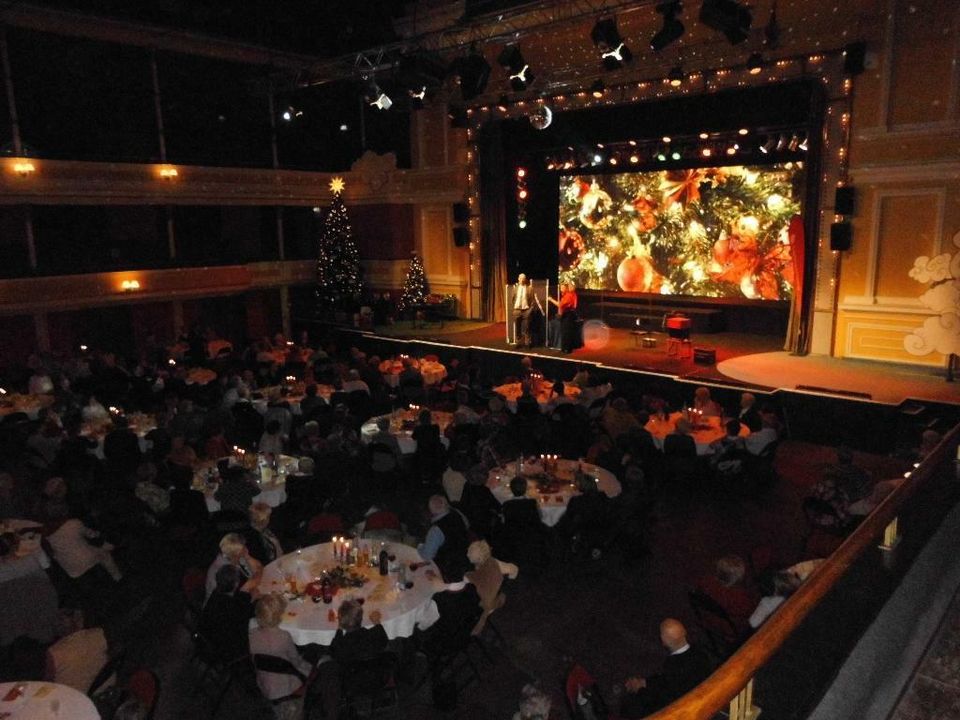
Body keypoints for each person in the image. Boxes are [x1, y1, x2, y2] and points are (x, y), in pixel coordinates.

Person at [620, 619, 713, 718]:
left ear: (664, 641)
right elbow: (666, 682)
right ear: (684, 631)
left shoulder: (672, 667)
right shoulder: (701, 653)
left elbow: (663, 697)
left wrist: (640, 689)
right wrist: (646, 682)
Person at [249, 594, 313, 720]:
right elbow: (296, 661)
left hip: (265, 682)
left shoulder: (251, 634)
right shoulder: (283, 636)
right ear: (279, 615)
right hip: (287, 685)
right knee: (313, 660)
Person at [198, 564, 255, 662]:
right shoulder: (233, 608)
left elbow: (238, 599)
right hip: (228, 651)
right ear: (236, 584)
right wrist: (252, 599)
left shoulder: (216, 594)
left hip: (210, 639)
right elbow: (245, 620)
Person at [417, 495, 471, 583]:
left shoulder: (435, 530)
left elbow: (427, 556)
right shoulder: (457, 513)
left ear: (430, 512)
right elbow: (467, 526)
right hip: (466, 558)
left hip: (448, 570)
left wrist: (420, 546)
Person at [205, 532, 262, 600]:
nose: (246, 550)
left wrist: (247, 557)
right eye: (243, 550)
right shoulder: (222, 572)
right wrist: (254, 580)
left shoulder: (234, 556)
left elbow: (259, 567)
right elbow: (233, 597)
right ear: (235, 555)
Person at [330, 599, 389, 665]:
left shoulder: (340, 645)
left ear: (341, 621)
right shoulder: (373, 635)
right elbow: (385, 640)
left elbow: (333, 653)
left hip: (349, 673)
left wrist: (339, 628)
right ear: (361, 618)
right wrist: (377, 622)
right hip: (375, 671)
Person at [547, 282, 578, 351]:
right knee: (565, 330)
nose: (561, 289)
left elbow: (560, 305)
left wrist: (551, 299)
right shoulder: (567, 295)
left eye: (562, 287)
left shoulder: (568, 295)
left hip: (568, 314)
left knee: (566, 331)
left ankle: (566, 348)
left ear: (566, 288)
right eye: (560, 287)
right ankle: (565, 347)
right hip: (567, 314)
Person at [512, 273, 541, 348]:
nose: (522, 280)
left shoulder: (529, 288)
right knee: (517, 327)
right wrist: (514, 308)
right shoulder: (515, 288)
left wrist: (530, 310)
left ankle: (527, 343)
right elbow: (513, 299)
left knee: (527, 327)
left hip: (526, 310)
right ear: (518, 279)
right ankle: (518, 343)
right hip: (517, 310)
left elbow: (532, 301)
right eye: (520, 278)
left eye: (523, 278)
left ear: (525, 279)